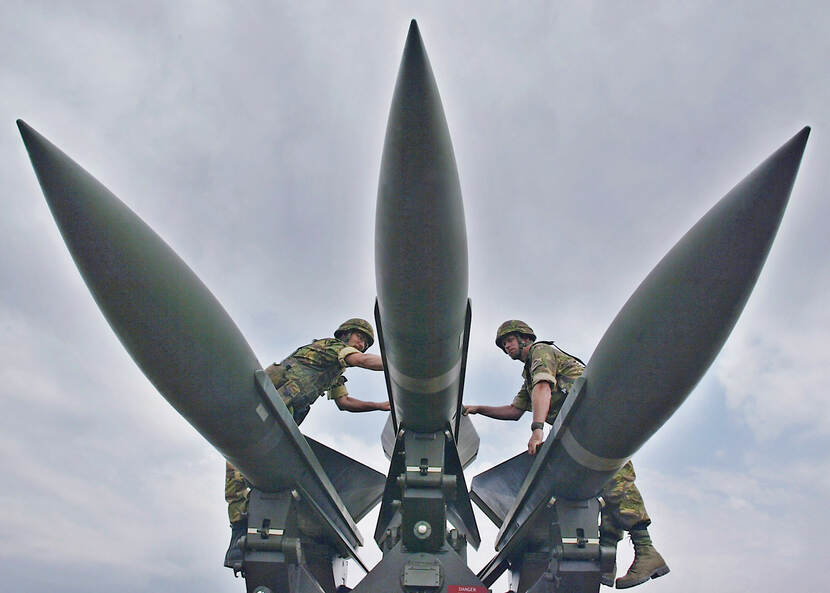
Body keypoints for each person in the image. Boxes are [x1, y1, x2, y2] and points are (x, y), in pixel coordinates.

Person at [464, 320, 669, 589]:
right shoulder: (529, 375)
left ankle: (646, 552)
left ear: (525, 338)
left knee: (618, 487)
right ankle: (609, 562)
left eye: (510, 340)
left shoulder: (540, 352)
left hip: (597, 424)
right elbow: (514, 411)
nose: (507, 347)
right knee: (607, 490)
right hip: (587, 430)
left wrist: (537, 430)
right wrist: (478, 409)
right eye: (503, 345)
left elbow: (543, 387)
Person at [224, 318, 390, 569]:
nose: (362, 345)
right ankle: (238, 532)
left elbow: (344, 403)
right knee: (238, 471)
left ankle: (251, 534)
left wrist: (379, 406)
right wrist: (399, 364)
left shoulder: (335, 372)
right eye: (360, 338)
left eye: (366, 343)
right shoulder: (330, 347)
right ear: (345, 335)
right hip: (263, 411)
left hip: (281, 421)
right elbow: (362, 360)